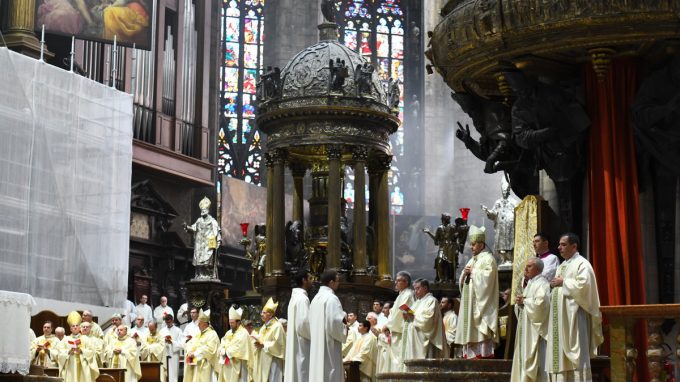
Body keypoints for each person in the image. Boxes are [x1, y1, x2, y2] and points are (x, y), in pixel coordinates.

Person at [546, 233, 604, 380]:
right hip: (559, 319)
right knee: (559, 354)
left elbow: (585, 287)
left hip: (574, 318)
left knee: (576, 354)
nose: (559, 247)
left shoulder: (582, 264)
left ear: (574, 246)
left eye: (563, 244)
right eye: (559, 244)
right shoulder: (563, 265)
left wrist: (564, 282)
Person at [455, 225, 499, 359]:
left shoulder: (488, 259)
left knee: (480, 334)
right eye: (471, 244)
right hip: (469, 306)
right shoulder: (472, 259)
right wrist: (464, 275)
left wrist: (473, 272)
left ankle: (483, 358)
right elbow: (463, 279)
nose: (471, 247)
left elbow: (488, 278)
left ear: (481, 244)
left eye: (473, 244)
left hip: (480, 306)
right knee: (469, 333)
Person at [511, 257, 551, 382]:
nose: (525, 269)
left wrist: (525, 301)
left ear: (538, 269)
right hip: (526, 328)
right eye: (526, 266)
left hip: (535, 330)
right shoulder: (531, 283)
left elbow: (541, 304)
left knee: (538, 359)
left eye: (529, 266)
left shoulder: (542, 284)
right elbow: (527, 303)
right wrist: (520, 303)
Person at [310, 270, 347, 382]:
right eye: (337, 281)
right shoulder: (331, 298)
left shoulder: (315, 299)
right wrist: (344, 320)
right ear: (331, 282)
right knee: (330, 372)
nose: (338, 283)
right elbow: (335, 321)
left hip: (317, 344)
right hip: (329, 344)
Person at [402, 278, 448, 359]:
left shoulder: (432, 301)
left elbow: (428, 320)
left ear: (425, 288)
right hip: (414, 340)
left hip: (424, 340)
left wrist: (413, 316)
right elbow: (412, 318)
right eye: (414, 289)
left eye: (418, 288)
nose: (415, 291)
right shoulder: (417, 302)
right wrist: (406, 317)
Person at [184, 197, 222, 280]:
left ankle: (208, 275)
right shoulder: (199, 220)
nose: (203, 211)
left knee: (207, 261)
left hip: (209, 243)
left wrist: (218, 241)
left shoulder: (213, 221)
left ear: (208, 210)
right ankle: (200, 275)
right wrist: (187, 227)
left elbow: (217, 232)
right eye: (202, 210)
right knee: (198, 260)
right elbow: (193, 228)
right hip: (199, 244)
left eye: (204, 210)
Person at [423, 213, 468, 283]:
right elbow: (436, 240)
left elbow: (461, 231)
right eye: (446, 218)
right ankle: (441, 278)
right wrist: (429, 232)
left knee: (451, 263)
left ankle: (451, 279)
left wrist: (464, 225)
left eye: (448, 218)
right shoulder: (439, 228)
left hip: (451, 248)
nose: (447, 220)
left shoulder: (453, 227)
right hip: (442, 248)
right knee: (439, 261)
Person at [481, 180, 518, 265]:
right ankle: (503, 259)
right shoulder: (498, 202)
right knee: (501, 243)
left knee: (509, 243)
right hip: (500, 227)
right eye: (503, 191)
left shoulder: (513, 202)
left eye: (506, 191)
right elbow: (494, 214)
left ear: (509, 191)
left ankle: (510, 259)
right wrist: (487, 211)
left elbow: (518, 213)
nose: (504, 193)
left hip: (509, 227)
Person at [285, 271, 312, 382]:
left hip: (296, 341)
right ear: (303, 280)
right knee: (302, 372)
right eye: (310, 278)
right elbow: (304, 323)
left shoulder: (294, 298)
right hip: (302, 343)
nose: (312, 281)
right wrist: (316, 334)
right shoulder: (302, 299)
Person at [56, 311, 99, 382]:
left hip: (83, 367)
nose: (75, 327)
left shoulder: (85, 339)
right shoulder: (65, 339)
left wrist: (81, 350)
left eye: (77, 326)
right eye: (73, 326)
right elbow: (60, 353)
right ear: (70, 329)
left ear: (79, 328)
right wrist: (68, 351)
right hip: (70, 367)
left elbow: (92, 352)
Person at [385, 270, 414, 371]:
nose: (395, 283)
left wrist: (388, 325)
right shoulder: (401, 295)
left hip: (401, 331)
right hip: (396, 331)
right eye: (396, 280)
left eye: (398, 281)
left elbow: (402, 310)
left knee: (399, 358)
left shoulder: (408, 294)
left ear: (406, 282)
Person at [252, 298, 286, 382]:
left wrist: (263, 344)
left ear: (270, 314)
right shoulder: (263, 327)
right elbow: (260, 339)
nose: (261, 314)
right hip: (263, 359)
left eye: (264, 312)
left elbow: (279, 345)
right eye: (262, 312)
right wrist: (256, 342)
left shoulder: (277, 326)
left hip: (273, 360)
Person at [183, 309, 219, 382]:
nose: (198, 325)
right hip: (195, 363)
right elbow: (190, 343)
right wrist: (189, 351)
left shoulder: (212, 334)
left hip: (206, 365)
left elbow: (210, 349)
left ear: (205, 324)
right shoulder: (198, 334)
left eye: (199, 323)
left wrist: (195, 354)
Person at [218, 307, 251, 382]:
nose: (230, 325)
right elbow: (223, 342)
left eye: (232, 323)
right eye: (229, 322)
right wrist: (222, 349)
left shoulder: (244, 333)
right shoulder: (228, 332)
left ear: (238, 322)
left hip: (239, 365)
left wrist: (226, 352)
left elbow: (239, 348)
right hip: (227, 364)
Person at [159, 315, 183, 382]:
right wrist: (164, 341)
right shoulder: (162, 331)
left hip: (174, 354)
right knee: (164, 373)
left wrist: (172, 342)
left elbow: (181, 343)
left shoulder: (178, 330)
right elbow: (159, 342)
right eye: (167, 322)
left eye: (170, 322)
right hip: (164, 354)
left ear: (172, 321)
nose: (168, 324)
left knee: (173, 373)